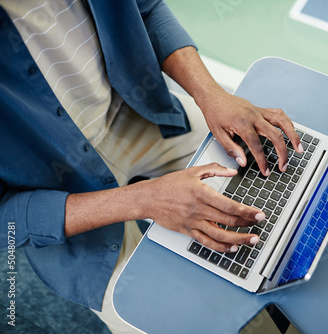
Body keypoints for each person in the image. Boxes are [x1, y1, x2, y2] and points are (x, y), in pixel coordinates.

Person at [0, 0, 303, 332]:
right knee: (159, 318)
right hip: (53, 183)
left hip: (135, 110)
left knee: (281, 172)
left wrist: (211, 93)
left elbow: (145, 10)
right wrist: (142, 200)